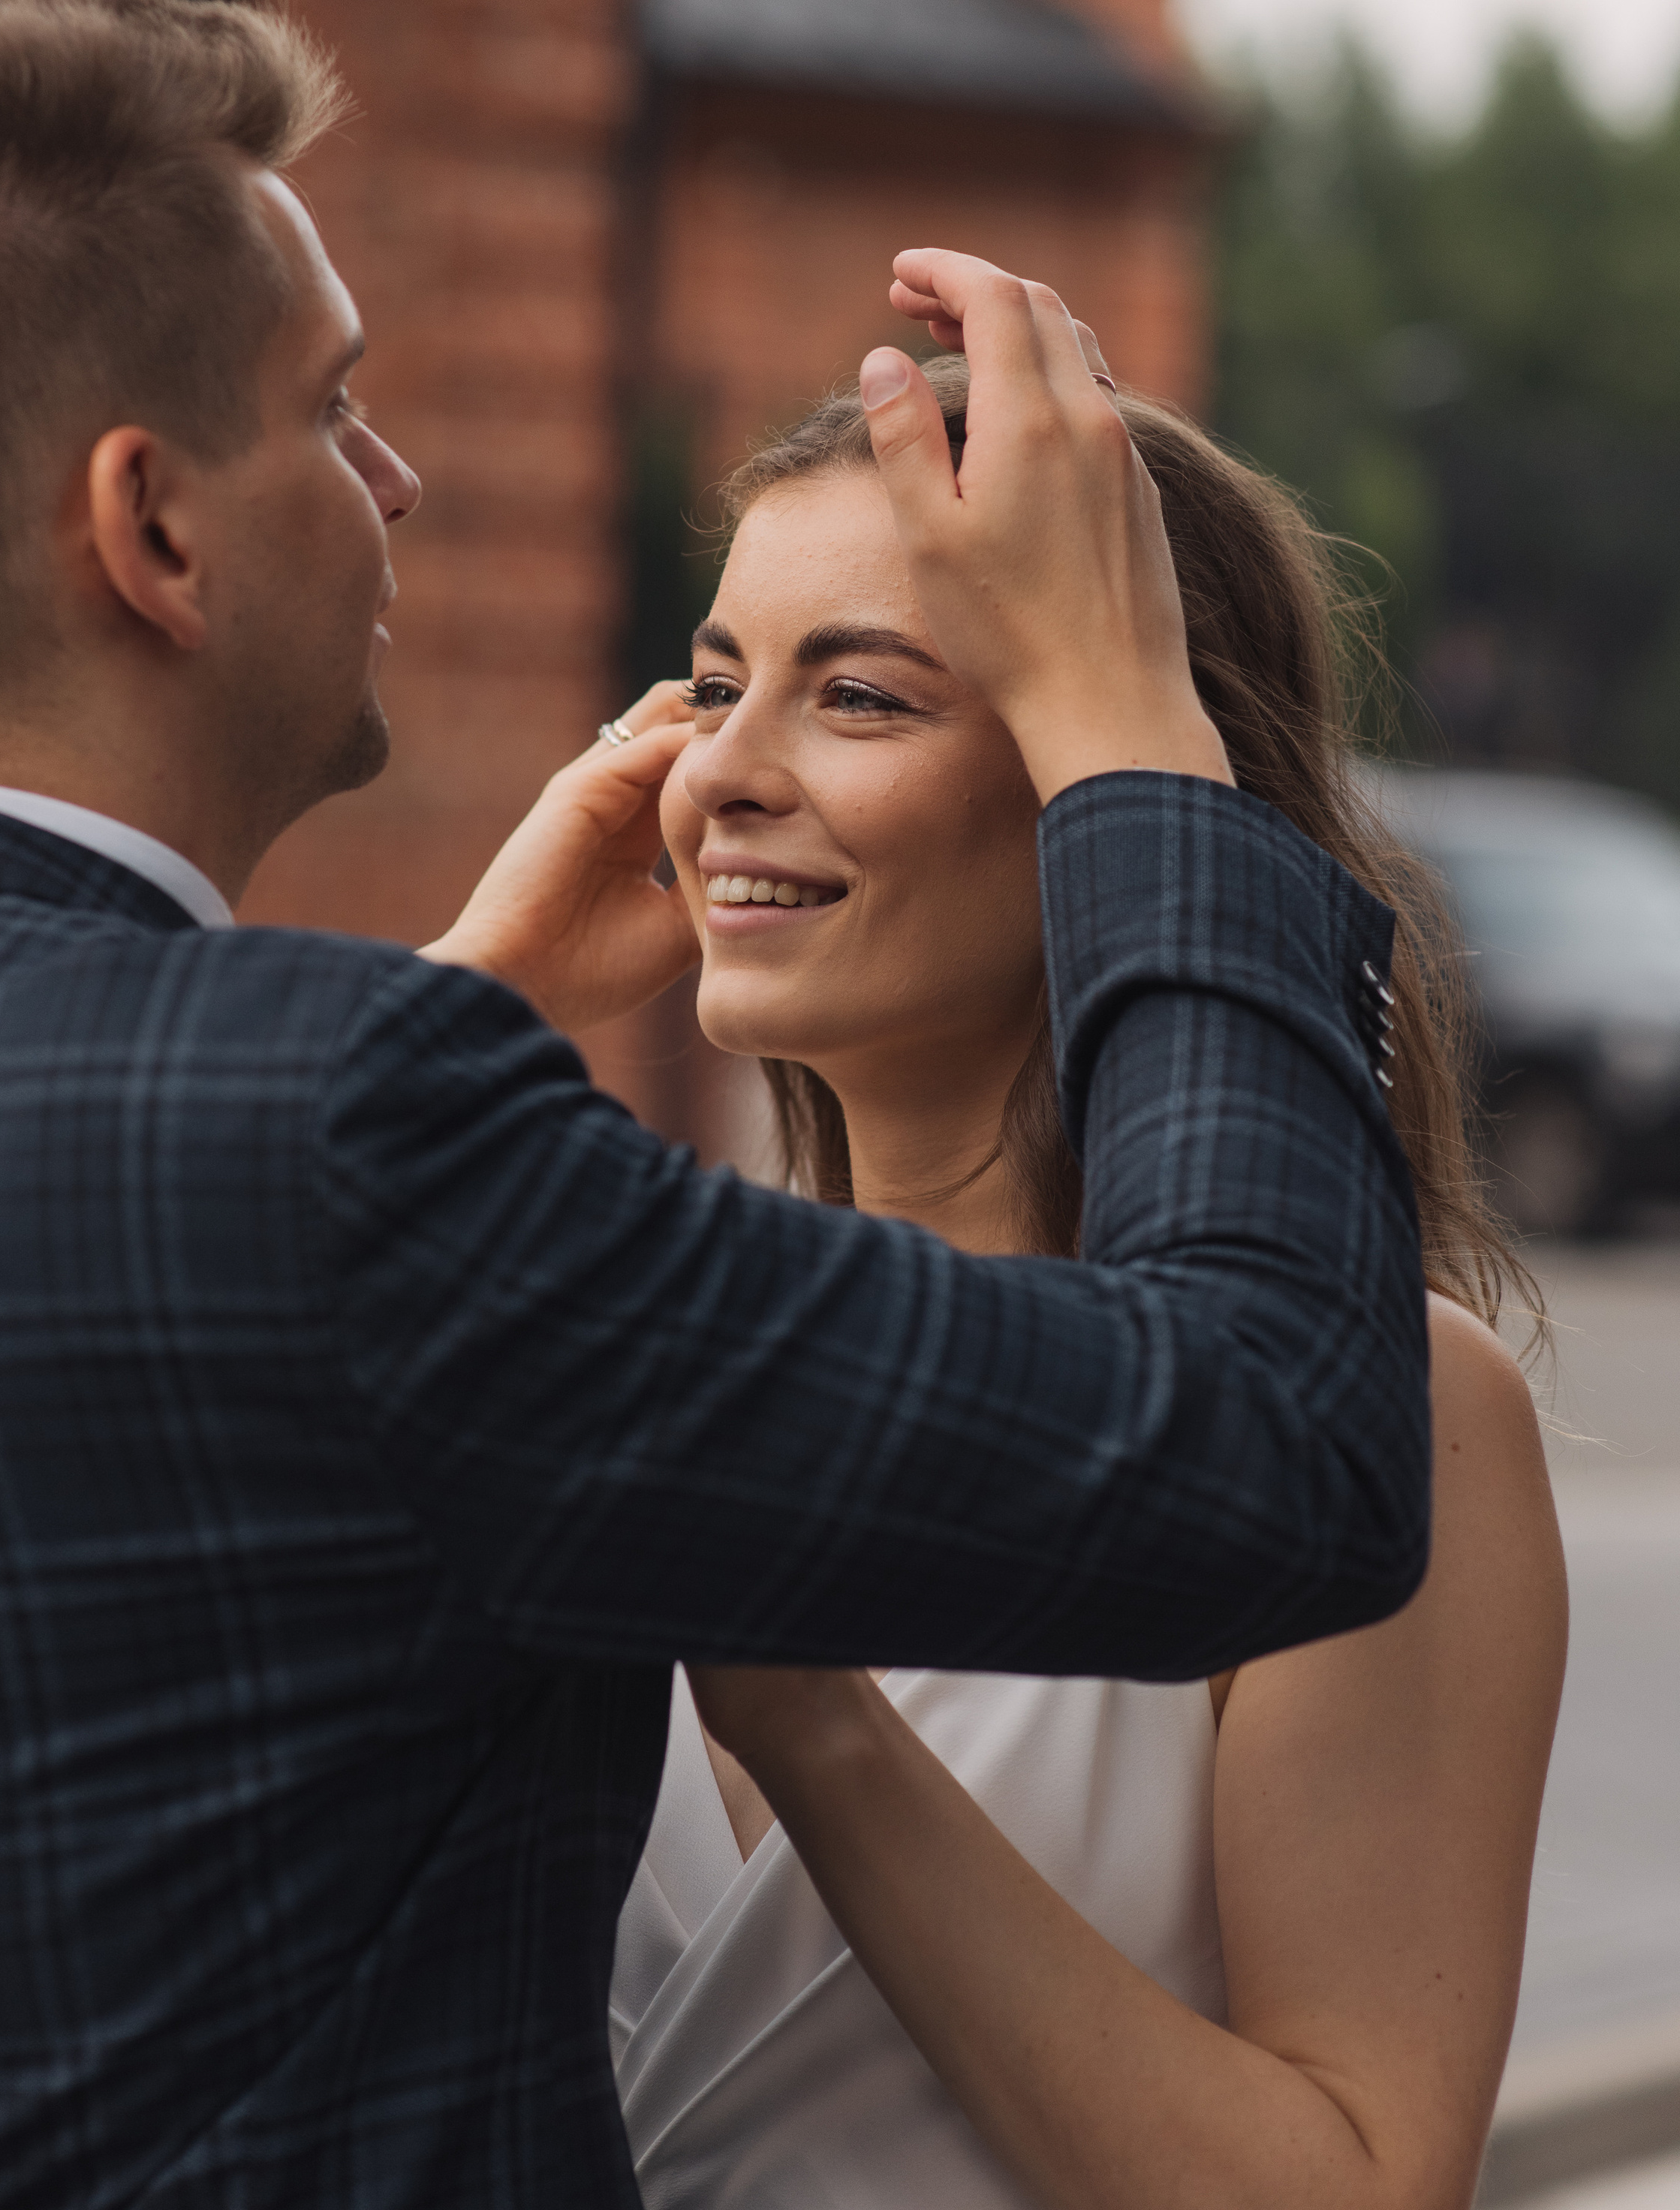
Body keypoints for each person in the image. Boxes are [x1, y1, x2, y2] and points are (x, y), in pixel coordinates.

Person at [0, 0, 1430, 2209]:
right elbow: (1275, 1450)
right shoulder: (347, 1138)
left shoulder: (201, 1123)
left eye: (853, 689)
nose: (399, 479)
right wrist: (1132, 730)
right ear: (150, 531)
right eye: (330, 409)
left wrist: (450, 1022)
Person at [612, 362, 1568, 2210]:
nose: (719, 770)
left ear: (1104, 777)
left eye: (859, 696)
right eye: (716, 684)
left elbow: (1353, 2188)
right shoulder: (626, 1320)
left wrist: (816, 1728)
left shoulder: (1392, 1411)